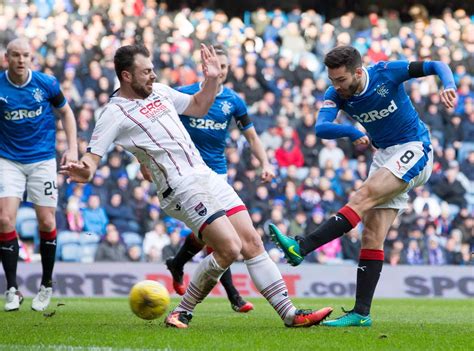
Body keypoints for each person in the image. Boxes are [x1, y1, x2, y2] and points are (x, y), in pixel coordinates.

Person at [61, 43, 332, 329]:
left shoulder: (161, 91)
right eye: (146, 71)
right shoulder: (113, 113)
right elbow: (92, 158)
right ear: (126, 76)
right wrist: (85, 169)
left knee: (251, 242)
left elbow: (199, 106)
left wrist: (212, 78)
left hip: (205, 174)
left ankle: (291, 315)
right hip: (178, 187)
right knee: (229, 247)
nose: (153, 76)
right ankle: (182, 311)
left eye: (153, 69)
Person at [269, 45, 457, 327]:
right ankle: (361, 314)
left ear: (358, 72)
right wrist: (352, 131)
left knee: (362, 196)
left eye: (341, 80)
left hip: (414, 147)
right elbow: (321, 128)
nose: (336, 86)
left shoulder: (387, 72)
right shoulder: (337, 94)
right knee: (371, 236)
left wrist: (449, 84)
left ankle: (301, 247)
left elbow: (435, 65)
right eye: (332, 80)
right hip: (383, 156)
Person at [160, 45, 275, 313]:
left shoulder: (233, 101)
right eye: (216, 66)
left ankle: (177, 263)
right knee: (220, 237)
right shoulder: (186, 95)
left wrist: (266, 163)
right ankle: (233, 295)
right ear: (205, 67)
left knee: (213, 236)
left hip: (217, 173)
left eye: (224, 67)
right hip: (188, 175)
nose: (220, 71)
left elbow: (252, 137)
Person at [0, 38, 78, 312]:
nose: (21, 60)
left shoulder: (46, 84)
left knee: (46, 221)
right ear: (6, 58)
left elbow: (67, 114)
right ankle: (11, 288)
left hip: (42, 159)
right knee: (4, 218)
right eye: (16, 55)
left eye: (25, 55)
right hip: (7, 159)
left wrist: (72, 149)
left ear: (31, 58)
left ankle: (46, 284)